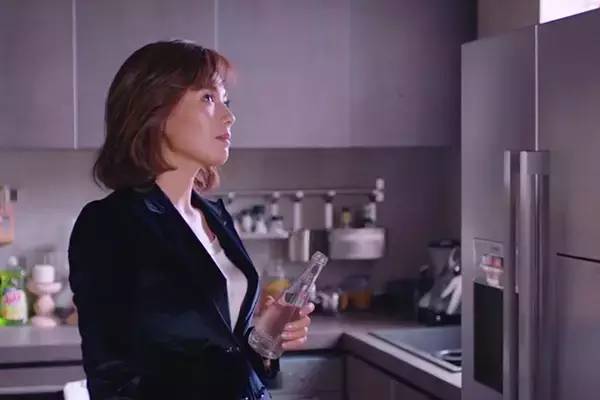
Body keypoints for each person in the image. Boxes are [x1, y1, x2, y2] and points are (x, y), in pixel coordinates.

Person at [68, 40, 314, 400]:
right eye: (208, 98)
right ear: (154, 109)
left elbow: (223, 351)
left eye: (226, 100)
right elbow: (112, 380)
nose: (229, 116)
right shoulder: (109, 225)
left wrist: (263, 339)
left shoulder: (216, 216)